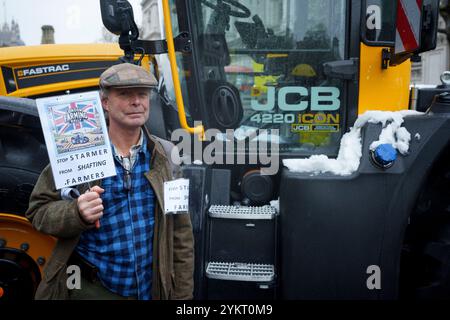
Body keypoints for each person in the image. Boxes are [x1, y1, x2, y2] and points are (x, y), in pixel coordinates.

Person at [26, 63, 194, 300]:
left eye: (142, 94)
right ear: (105, 103)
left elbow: (180, 232)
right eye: (125, 94)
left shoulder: (167, 156)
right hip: (93, 290)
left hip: (151, 291)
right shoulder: (76, 153)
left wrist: (183, 297)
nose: (137, 102)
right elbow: (38, 211)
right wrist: (76, 213)